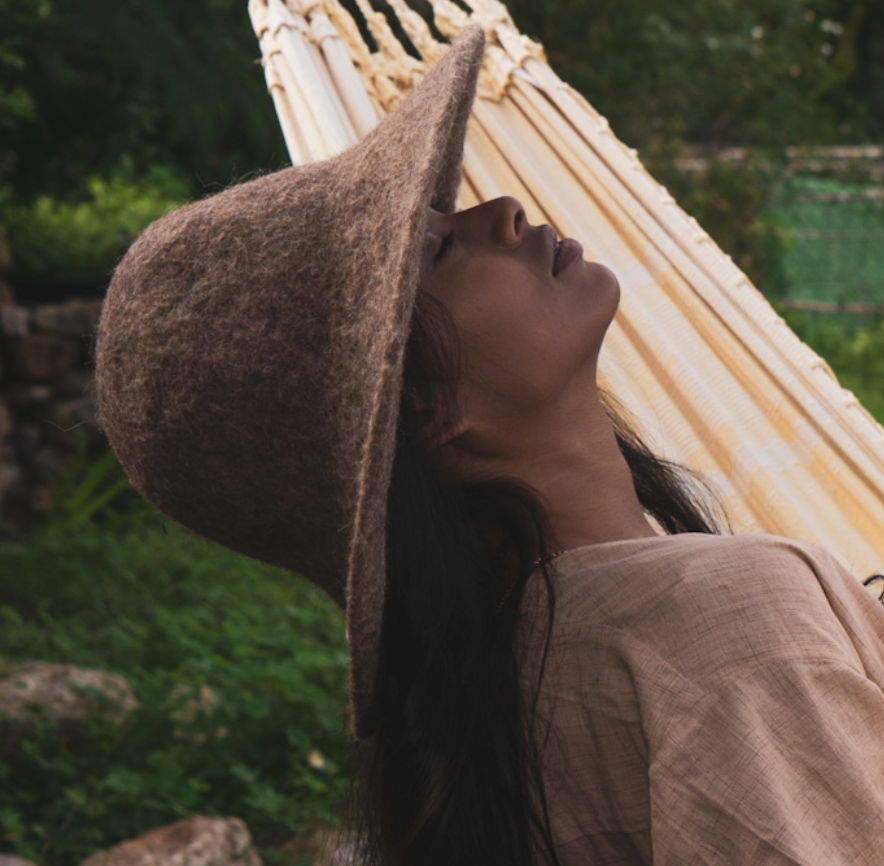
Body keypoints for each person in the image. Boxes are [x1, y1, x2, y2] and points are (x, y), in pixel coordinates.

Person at [95, 26, 884, 866]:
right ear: (424, 414)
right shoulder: (731, 630)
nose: (502, 212)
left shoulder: (500, 705)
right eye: (441, 248)